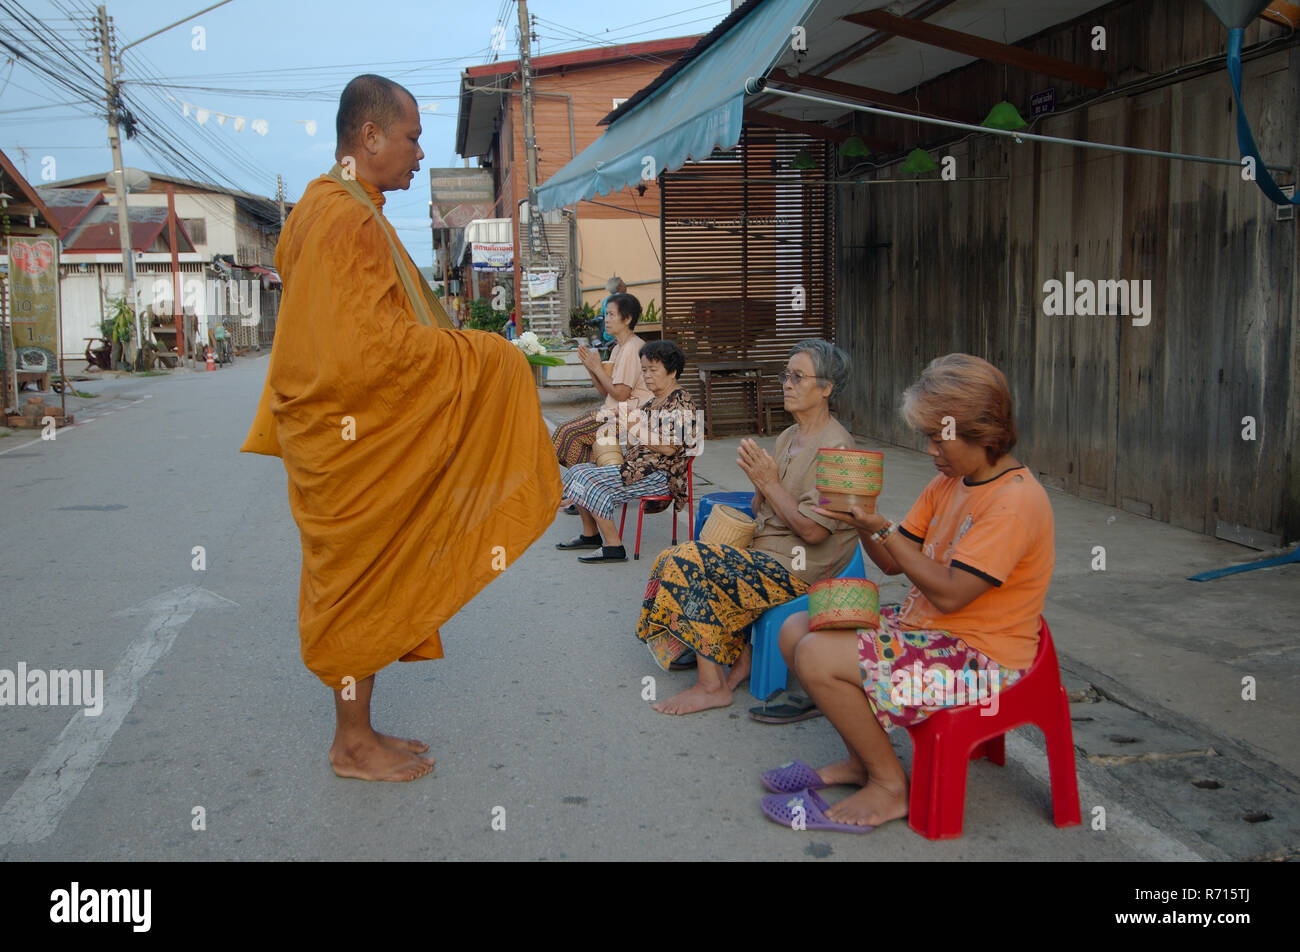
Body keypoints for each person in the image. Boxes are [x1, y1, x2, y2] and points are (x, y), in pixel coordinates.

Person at [239, 74, 561, 782]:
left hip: (342, 436)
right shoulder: (341, 218)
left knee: (373, 583)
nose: (420, 153)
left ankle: (358, 733)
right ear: (370, 136)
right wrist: (487, 355)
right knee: (358, 586)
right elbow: (366, 355)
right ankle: (351, 745)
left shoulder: (337, 209)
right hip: (347, 439)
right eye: (412, 137)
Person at [766, 354, 1055, 830]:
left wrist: (880, 526)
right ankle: (862, 762)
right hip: (930, 632)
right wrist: (859, 518)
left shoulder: (1015, 501)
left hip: (979, 658)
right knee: (797, 628)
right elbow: (890, 561)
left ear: (981, 431)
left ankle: (889, 786)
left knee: (817, 655)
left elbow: (950, 595)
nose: (930, 450)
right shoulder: (949, 483)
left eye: (938, 438)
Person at [635, 340, 858, 715]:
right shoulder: (789, 436)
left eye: (798, 377)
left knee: (687, 561)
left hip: (800, 566)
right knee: (674, 557)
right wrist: (759, 484)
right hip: (764, 550)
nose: (787, 384)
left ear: (826, 388)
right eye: (786, 375)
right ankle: (741, 657)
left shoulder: (838, 449)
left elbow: (815, 533)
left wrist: (770, 483)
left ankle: (712, 686)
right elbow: (762, 508)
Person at [557, 339, 697, 563]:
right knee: (578, 470)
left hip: (662, 474)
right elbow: (636, 443)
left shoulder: (681, 402)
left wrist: (634, 427)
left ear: (672, 371)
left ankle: (613, 547)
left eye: (653, 370)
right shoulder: (654, 401)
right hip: (640, 467)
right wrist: (624, 430)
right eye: (644, 370)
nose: (647, 375)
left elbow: (670, 448)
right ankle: (590, 535)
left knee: (587, 478)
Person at [552, 292, 652, 511]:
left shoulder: (633, 348)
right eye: (606, 314)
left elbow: (621, 394)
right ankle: (588, 489)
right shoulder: (618, 348)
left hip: (628, 417)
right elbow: (605, 391)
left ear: (627, 319)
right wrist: (591, 368)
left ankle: (585, 489)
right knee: (568, 436)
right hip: (612, 411)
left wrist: (597, 367)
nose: (606, 320)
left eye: (611, 315)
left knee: (566, 434)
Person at [596, 276, 626, 347]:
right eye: (623, 283)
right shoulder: (623, 299)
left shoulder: (605, 300)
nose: (625, 285)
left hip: (607, 336)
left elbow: (602, 315)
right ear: (619, 287)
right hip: (618, 336)